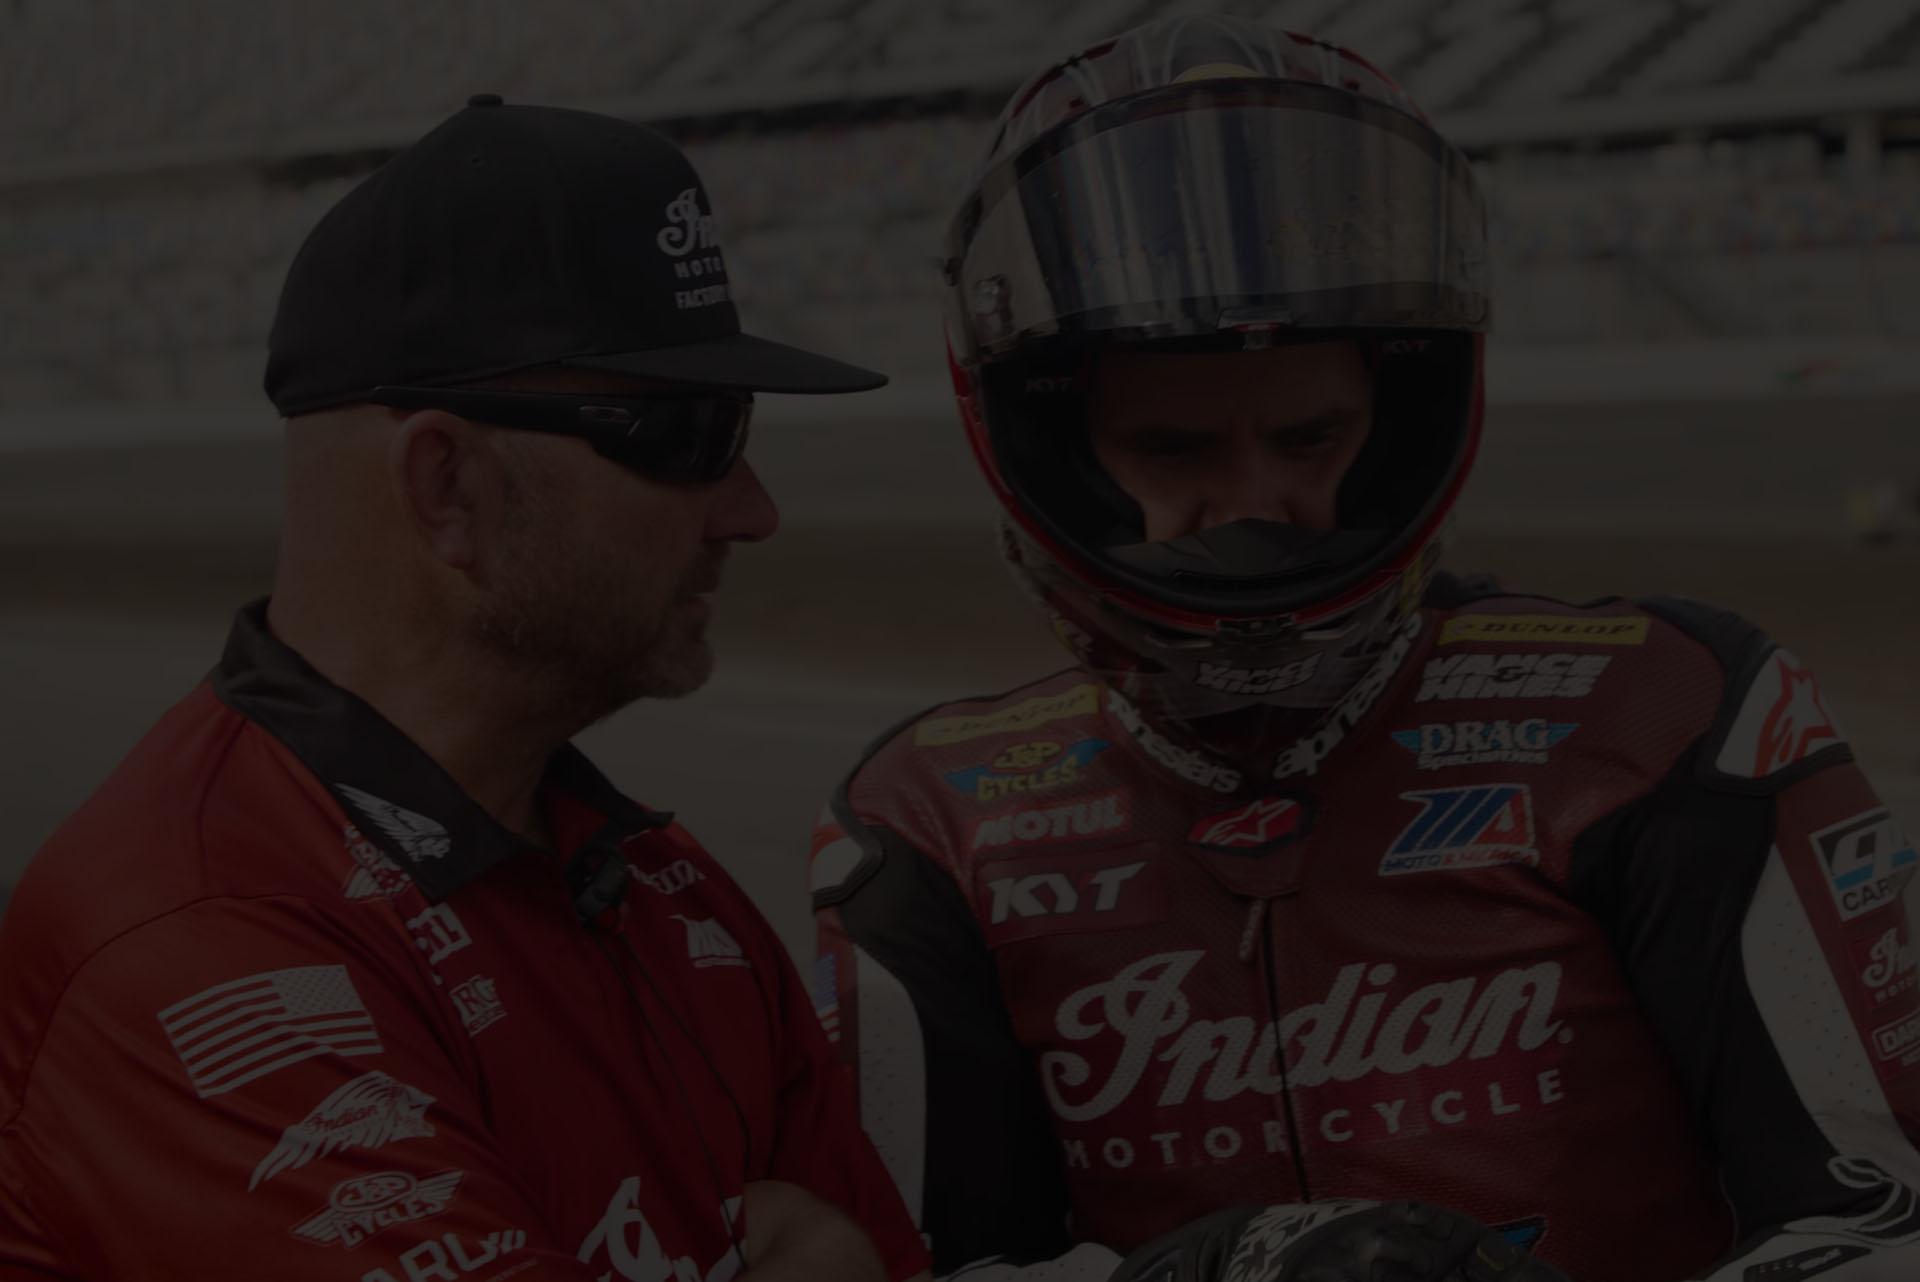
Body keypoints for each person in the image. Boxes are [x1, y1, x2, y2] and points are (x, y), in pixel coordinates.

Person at [806, 17, 1920, 1282]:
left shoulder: (1667, 711)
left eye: (1310, 436)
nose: (1254, 505)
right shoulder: (930, 825)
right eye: (1176, 450)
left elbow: (1884, 1212)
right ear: (1055, 455)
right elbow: (904, 1265)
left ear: (1398, 426)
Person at [0, 96, 930, 1282]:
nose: (753, 510)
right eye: (688, 430)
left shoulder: (672, 894)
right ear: (446, 484)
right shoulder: (192, 944)